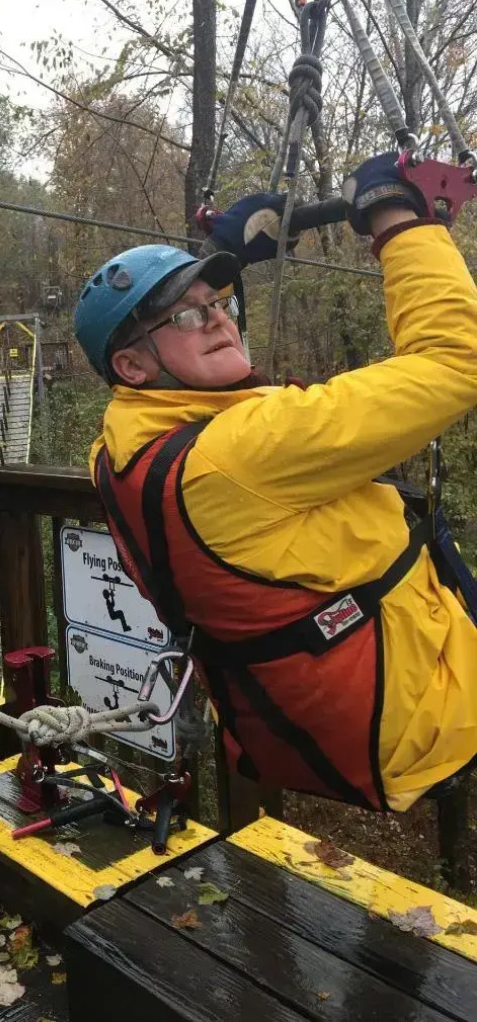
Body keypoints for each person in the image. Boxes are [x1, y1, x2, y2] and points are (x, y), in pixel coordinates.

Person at [74, 152, 477, 813]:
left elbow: (208, 408)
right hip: (423, 708)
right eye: (186, 317)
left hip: (325, 713)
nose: (219, 320)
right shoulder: (243, 454)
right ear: (132, 365)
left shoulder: (122, 446)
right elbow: (456, 359)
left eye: (217, 302)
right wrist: (394, 214)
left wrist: (215, 253)